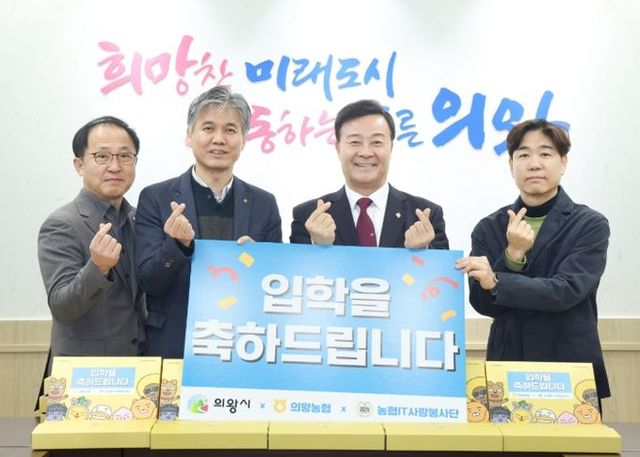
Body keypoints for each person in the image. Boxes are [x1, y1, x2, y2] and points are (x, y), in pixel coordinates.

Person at [456, 119, 610, 403]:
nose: (535, 164)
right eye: (524, 155)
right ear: (511, 165)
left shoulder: (589, 224)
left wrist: (497, 280)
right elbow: (482, 303)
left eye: (545, 154)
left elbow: (567, 290)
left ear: (563, 163)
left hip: (569, 365)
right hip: (509, 363)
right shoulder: (488, 227)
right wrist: (512, 255)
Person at [135, 86, 282, 358]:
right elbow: (148, 282)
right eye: (208, 128)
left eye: (230, 130)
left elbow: (275, 287)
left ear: (243, 140)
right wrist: (177, 245)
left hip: (242, 345)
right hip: (174, 345)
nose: (219, 139)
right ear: (189, 136)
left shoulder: (264, 204)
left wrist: (257, 263)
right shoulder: (156, 198)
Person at [38, 116, 146, 372]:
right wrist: (98, 268)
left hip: (140, 368)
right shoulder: (61, 224)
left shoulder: (139, 219)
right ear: (79, 165)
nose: (115, 166)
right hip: (84, 373)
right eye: (102, 156)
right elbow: (63, 308)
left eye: (125, 156)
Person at [290, 99, 448, 249]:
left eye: (377, 142)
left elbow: (442, 268)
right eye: (355, 142)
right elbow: (294, 267)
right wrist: (319, 247)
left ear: (391, 147)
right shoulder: (308, 217)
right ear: (338, 148)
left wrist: (421, 254)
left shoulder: (425, 216)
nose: (365, 152)